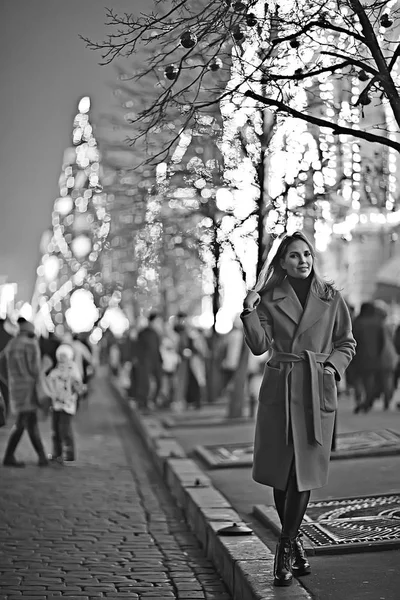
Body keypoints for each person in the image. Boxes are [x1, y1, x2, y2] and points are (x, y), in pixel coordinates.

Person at [241, 231, 355, 587]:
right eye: (294, 255)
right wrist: (249, 309)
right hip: (281, 386)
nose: (302, 260)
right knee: (281, 472)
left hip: (313, 389)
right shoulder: (270, 299)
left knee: (302, 473)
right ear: (282, 261)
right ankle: (294, 545)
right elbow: (259, 346)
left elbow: (346, 342)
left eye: (306, 254)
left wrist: (330, 368)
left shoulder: (330, 296)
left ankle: (285, 545)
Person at [0, 318, 49, 467]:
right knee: (24, 422)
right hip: (29, 389)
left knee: (26, 421)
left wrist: (9, 381)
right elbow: (35, 369)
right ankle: (12, 456)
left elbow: (1, 363)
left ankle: (41, 457)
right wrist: (45, 367)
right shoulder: (31, 344)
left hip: (16, 389)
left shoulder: (12, 343)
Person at [46, 344, 84, 463]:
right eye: (61, 355)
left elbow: (77, 384)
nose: (62, 358)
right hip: (56, 404)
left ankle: (69, 454)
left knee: (65, 430)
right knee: (55, 430)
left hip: (67, 405)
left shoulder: (73, 369)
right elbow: (49, 380)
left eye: (64, 355)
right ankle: (57, 453)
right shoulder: (56, 369)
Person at [351, 302, 385, 413]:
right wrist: (378, 354)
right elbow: (381, 341)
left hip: (358, 355)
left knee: (357, 379)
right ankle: (367, 401)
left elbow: (352, 339)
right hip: (373, 357)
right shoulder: (378, 323)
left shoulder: (357, 322)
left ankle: (359, 398)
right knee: (369, 380)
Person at [135, 312, 164, 410]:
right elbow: (138, 348)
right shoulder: (143, 333)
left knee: (159, 381)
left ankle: (152, 401)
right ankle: (143, 402)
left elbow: (157, 348)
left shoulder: (156, 333)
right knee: (144, 383)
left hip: (155, 360)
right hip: (145, 361)